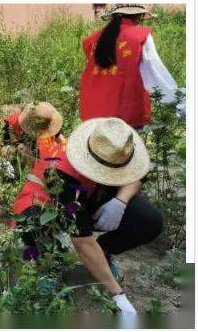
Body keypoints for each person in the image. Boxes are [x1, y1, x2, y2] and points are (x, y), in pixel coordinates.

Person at [12, 117, 162, 315]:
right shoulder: (62, 171)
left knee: (148, 220)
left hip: (89, 195)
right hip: (47, 203)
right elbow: (82, 241)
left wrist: (120, 201)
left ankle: (104, 253)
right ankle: (49, 266)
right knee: (35, 224)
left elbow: (137, 178)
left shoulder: (121, 150)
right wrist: (118, 295)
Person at [79, 4, 181, 129]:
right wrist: (175, 97)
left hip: (93, 110)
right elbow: (154, 69)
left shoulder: (94, 38)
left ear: (114, 16)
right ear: (138, 16)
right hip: (124, 112)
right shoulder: (139, 35)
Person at [0, 102, 63, 187]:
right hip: (19, 157)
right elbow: (1, 143)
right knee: (20, 148)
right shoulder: (14, 124)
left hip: (41, 156)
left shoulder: (50, 125)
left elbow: (61, 141)